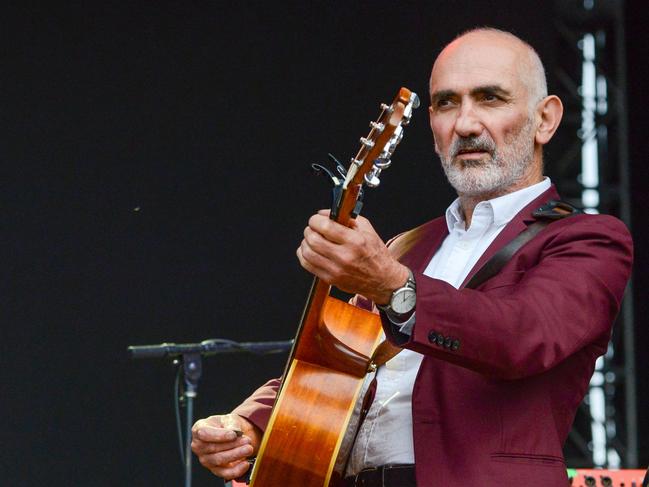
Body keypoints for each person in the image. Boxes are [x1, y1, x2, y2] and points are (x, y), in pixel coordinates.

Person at [191, 28, 633, 486]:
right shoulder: (405, 247)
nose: (465, 124)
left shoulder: (588, 240)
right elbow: (338, 363)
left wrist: (391, 285)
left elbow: (521, 336)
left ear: (545, 119)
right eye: (446, 103)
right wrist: (249, 425)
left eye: (490, 98)